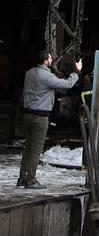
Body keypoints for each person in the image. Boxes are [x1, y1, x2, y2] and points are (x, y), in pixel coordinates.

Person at [18, 50, 82, 189]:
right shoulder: (46, 76)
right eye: (50, 59)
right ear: (45, 61)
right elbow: (67, 84)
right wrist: (76, 72)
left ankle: (22, 178)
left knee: (28, 148)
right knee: (36, 149)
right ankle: (31, 180)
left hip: (27, 114)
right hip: (40, 117)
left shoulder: (29, 73)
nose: (52, 60)